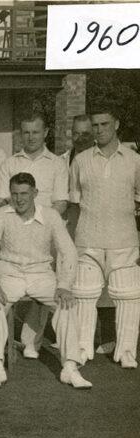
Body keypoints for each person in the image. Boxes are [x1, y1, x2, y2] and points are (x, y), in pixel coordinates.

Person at [0, 172, 90, 389]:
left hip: (41, 274)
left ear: (35, 193)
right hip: (9, 273)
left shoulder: (50, 216)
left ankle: (70, 367)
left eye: (24, 194)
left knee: (66, 304)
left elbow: (69, 252)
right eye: (14, 194)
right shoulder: (2, 214)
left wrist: (64, 286)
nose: (19, 199)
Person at [0, 112, 70, 359]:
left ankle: (31, 341)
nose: (31, 137)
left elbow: (61, 202)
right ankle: (4, 344)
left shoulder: (57, 163)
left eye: (36, 132)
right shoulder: (10, 163)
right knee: (15, 285)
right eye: (26, 132)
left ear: (45, 133)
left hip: (47, 233)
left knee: (45, 286)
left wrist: (41, 223)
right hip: (15, 231)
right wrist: (15, 217)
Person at [70, 105, 140, 370]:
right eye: (95, 126)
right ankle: (83, 347)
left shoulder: (134, 161)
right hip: (88, 239)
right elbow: (75, 201)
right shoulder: (81, 160)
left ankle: (126, 351)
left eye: (104, 125)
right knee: (84, 294)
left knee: (129, 295)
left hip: (124, 240)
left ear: (117, 124)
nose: (99, 130)